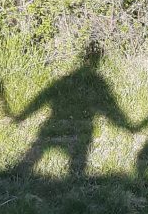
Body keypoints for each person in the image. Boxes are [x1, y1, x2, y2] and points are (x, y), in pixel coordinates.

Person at [13, 45, 136, 176]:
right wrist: (126, 125)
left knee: (32, 157)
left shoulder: (66, 79)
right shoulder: (99, 83)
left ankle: (14, 175)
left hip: (53, 122)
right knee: (77, 168)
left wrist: (23, 115)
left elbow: (43, 97)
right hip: (83, 128)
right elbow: (110, 107)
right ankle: (73, 181)